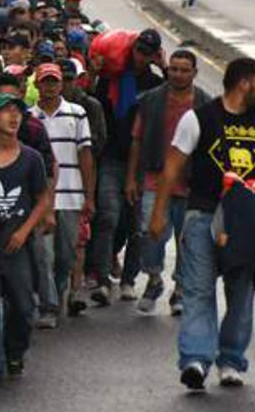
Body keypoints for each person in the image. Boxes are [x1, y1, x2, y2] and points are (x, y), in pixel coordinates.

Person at [150, 57, 255, 391]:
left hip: (246, 221)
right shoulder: (199, 118)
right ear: (244, 83)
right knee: (198, 289)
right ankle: (196, 360)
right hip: (202, 214)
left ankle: (231, 360)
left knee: (241, 291)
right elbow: (171, 168)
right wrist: (158, 212)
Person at [0, 93, 49, 390]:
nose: (13, 117)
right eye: (5, 112)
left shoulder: (32, 158)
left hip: (18, 245)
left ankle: (15, 351)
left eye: (17, 112)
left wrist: (25, 230)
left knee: (22, 305)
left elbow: (42, 198)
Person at [127, 49, 210, 315]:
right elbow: (137, 140)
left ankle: (180, 291)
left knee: (188, 241)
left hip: (192, 183)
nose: (178, 74)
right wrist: (131, 177)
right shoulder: (151, 100)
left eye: (184, 70)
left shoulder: (206, 105)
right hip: (155, 179)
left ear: (195, 73)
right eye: (173, 69)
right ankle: (153, 279)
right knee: (150, 235)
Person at [90, 29, 165, 305]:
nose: (142, 57)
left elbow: (176, 101)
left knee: (137, 225)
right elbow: (93, 104)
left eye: (148, 53)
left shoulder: (156, 84)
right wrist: (95, 73)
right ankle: (101, 279)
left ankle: (129, 279)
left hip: (144, 165)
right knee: (108, 217)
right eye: (139, 51)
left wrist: (165, 67)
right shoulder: (113, 78)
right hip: (111, 158)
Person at [29, 63, 94, 324]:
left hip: (71, 194)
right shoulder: (28, 117)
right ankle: (49, 306)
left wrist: (89, 196)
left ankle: (57, 292)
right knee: (43, 254)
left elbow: (86, 155)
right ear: (37, 85)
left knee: (66, 254)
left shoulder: (77, 114)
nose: (50, 86)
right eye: (45, 81)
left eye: (54, 81)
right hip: (41, 197)